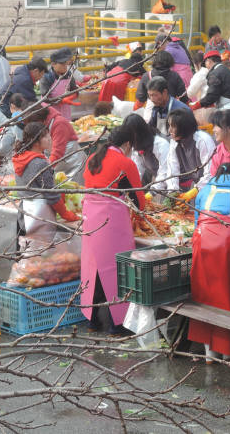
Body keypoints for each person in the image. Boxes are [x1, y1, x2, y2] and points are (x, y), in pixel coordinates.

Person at [82, 125, 144, 334]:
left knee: (94, 268)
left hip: (90, 217)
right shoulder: (125, 163)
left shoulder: (92, 159)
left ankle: (92, 321)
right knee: (119, 268)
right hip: (112, 219)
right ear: (127, 144)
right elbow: (139, 201)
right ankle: (118, 323)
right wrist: (141, 215)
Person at [190, 162, 230, 362]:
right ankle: (228, 351)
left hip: (202, 241)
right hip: (229, 245)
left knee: (204, 293)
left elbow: (196, 221)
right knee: (229, 293)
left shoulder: (205, 190)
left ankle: (209, 352)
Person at [12, 122, 79, 242]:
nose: (50, 139)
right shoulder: (39, 163)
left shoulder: (21, 157)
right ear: (36, 141)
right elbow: (51, 194)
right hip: (40, 213)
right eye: (46, 137)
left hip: (24, 210)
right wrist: (65, 214)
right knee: (41, 252)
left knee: (28, 251)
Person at [25, 104, 86, 183]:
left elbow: (57, 152)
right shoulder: (43, 124)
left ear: (41, 120)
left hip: (73, 162)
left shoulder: (59, 124)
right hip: (58, 163)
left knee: (74, 189)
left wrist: (44, 170)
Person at [166, 108, 214, 192]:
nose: (169, 130)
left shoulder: (202, 140)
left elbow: (211, 172)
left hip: (211, 185)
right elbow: (172, 170)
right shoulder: (174, 142)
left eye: (173, 126)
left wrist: (196, 190)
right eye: (169, 125)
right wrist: (173, 192)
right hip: (197, 183)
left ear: (184, 126)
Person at [122, 113, 169, 189]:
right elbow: (137, 171)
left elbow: (165, 172)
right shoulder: (137, 146)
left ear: (139, 134)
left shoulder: (160, 145)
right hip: (162, 183)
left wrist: (153, 191)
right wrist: (130, 188)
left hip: (177, 183)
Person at [39, 47, 79, 120]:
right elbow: (45, 99)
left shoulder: (68, 74)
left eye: (66, 64)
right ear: (53, 64)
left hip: (65, 112)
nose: (65, 67)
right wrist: (61, 100)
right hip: (50, 112)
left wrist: (72, 96)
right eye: (62, 64)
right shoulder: (47, 77)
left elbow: (74, 89)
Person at [0, 93, 26, 173]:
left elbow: (1, 149)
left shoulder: (11, 124)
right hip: (34, 161)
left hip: (17, 165)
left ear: (12, 106)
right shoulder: (32, 117)